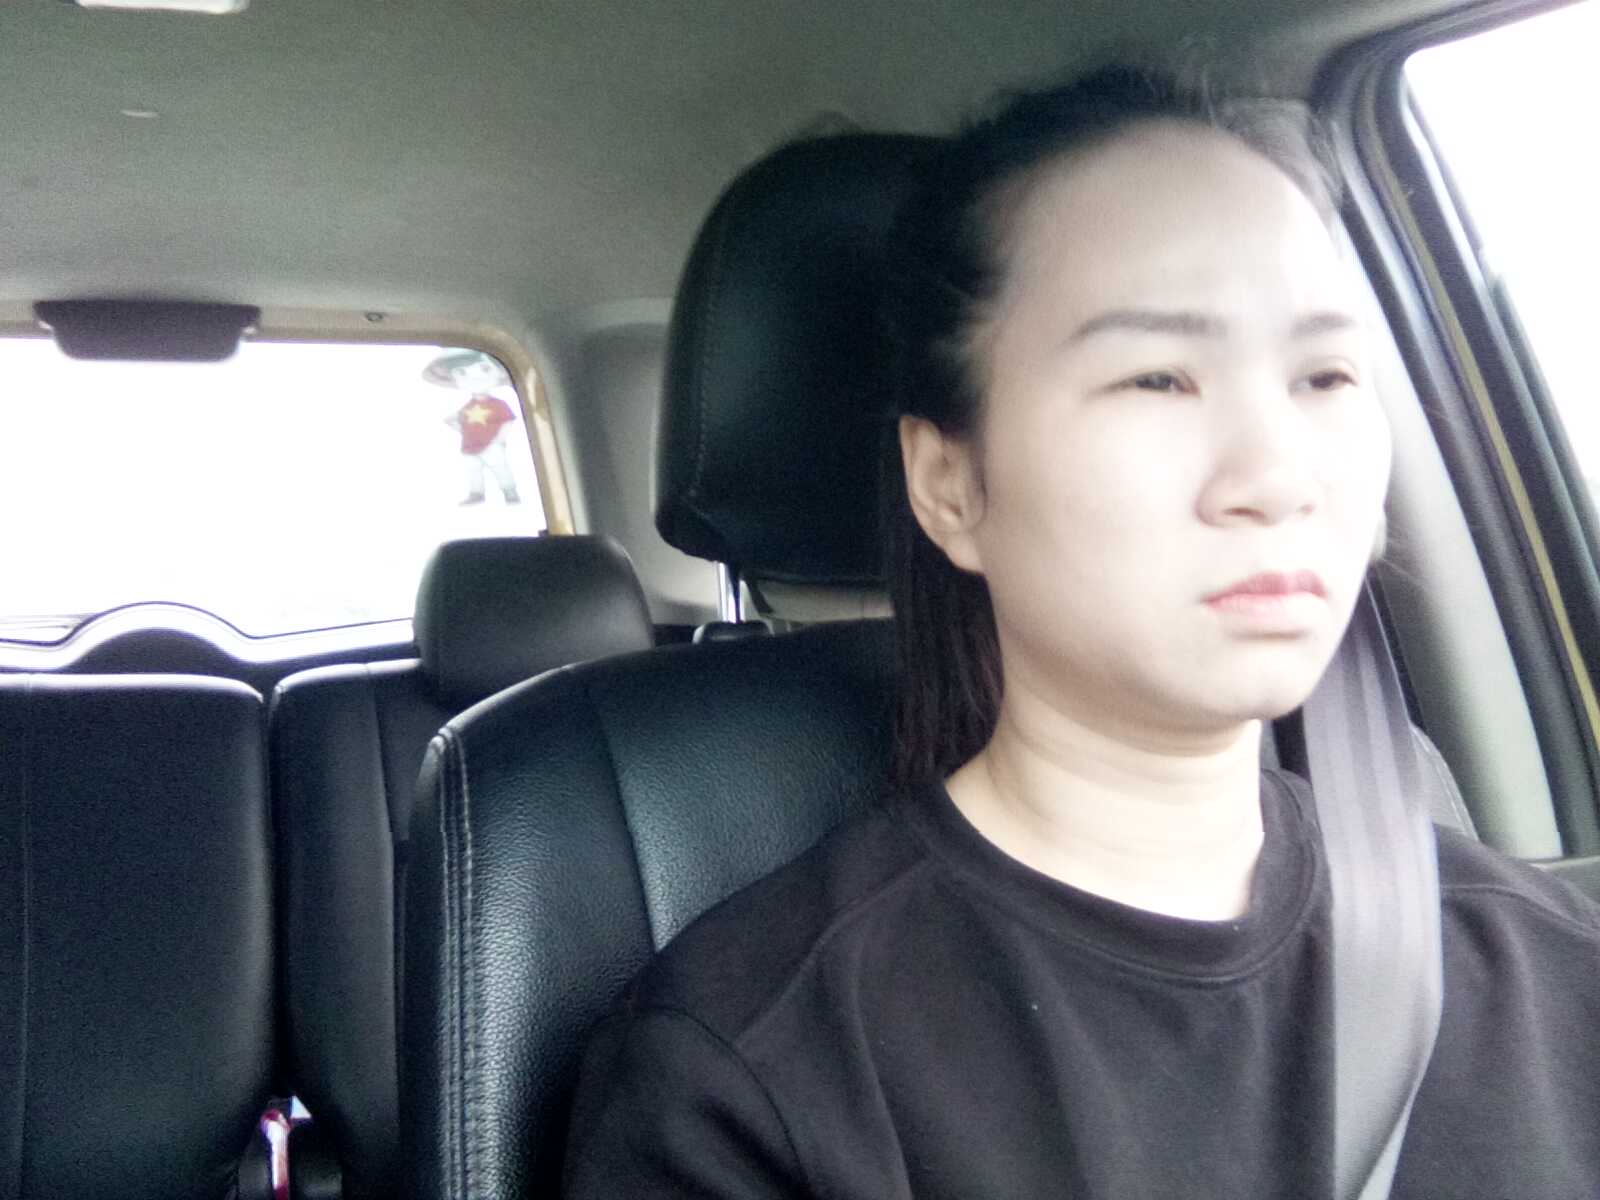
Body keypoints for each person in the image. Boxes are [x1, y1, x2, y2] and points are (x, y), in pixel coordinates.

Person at [563, 66, 1600, 1197]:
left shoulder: (1546, 964)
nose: (1279, 476)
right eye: (1157, 377)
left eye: (1325, 375)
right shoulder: (745, 1079)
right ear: (950, 484)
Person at [423, 349, 523, 505]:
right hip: (470, 447)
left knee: (500, 468)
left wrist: (499, 440)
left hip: (491, 445)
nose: (474, 378)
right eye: (461, 373)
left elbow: (507, 421)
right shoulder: (468, 407)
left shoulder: (498, 404)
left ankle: (510, 492)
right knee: (473, 471)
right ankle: (476, 494)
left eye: (485, 369)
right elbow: (462, 425)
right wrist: (454, 424)